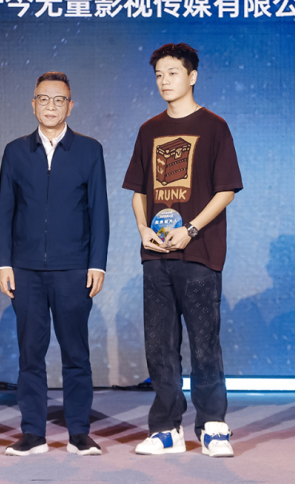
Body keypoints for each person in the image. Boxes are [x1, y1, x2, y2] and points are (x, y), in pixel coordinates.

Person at [122, 43, 242, 457]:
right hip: (157, 255)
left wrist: (191, 229)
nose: (164, 81)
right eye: (159, 74)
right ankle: (166, 429)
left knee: (204, 344)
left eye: (172, 73)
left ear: (192, 76)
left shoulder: (214, 127)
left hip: (199, 253)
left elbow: (226, 190)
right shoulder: (149, 129)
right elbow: (138, 190)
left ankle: (213, 427)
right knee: (159, 346)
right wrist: (143, 228)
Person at [0, 72, 110, 456]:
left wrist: (97, 264)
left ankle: (79, 432)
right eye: (43, 99)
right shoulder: (15, 151)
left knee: (76, 354)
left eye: (59, 100)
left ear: (70, 106)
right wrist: (4, 263)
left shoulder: (89, 150)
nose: (50, 106)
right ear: (33, 104)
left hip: (74, 269)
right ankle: (33, 433)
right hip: (25, 270)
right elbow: (5, 211)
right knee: (30, 355)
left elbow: (99, 211)